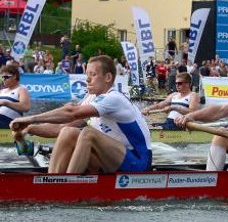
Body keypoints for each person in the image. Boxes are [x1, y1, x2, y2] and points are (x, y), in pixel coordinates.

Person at [11, 55, 152, 174]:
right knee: (68, 132)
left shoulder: (114, 98)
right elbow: (60, 128)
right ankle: (53, 182)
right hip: (112, 159)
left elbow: (70, 113)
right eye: (87, 75)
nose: (87, 80)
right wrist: (28, 129)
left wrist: (30, 118)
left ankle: (69, 186)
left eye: (93, 75)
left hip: (138, 161)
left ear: (108, 77)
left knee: (88, 133)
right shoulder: (91, 99)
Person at [0, 65, 30, 129]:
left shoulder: (21, 90)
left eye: (6, 77)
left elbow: (25, 107)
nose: (3, 79)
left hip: (10, 122)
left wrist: (5, 103)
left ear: (14, 76)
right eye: (2, 77)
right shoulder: (1, 91)